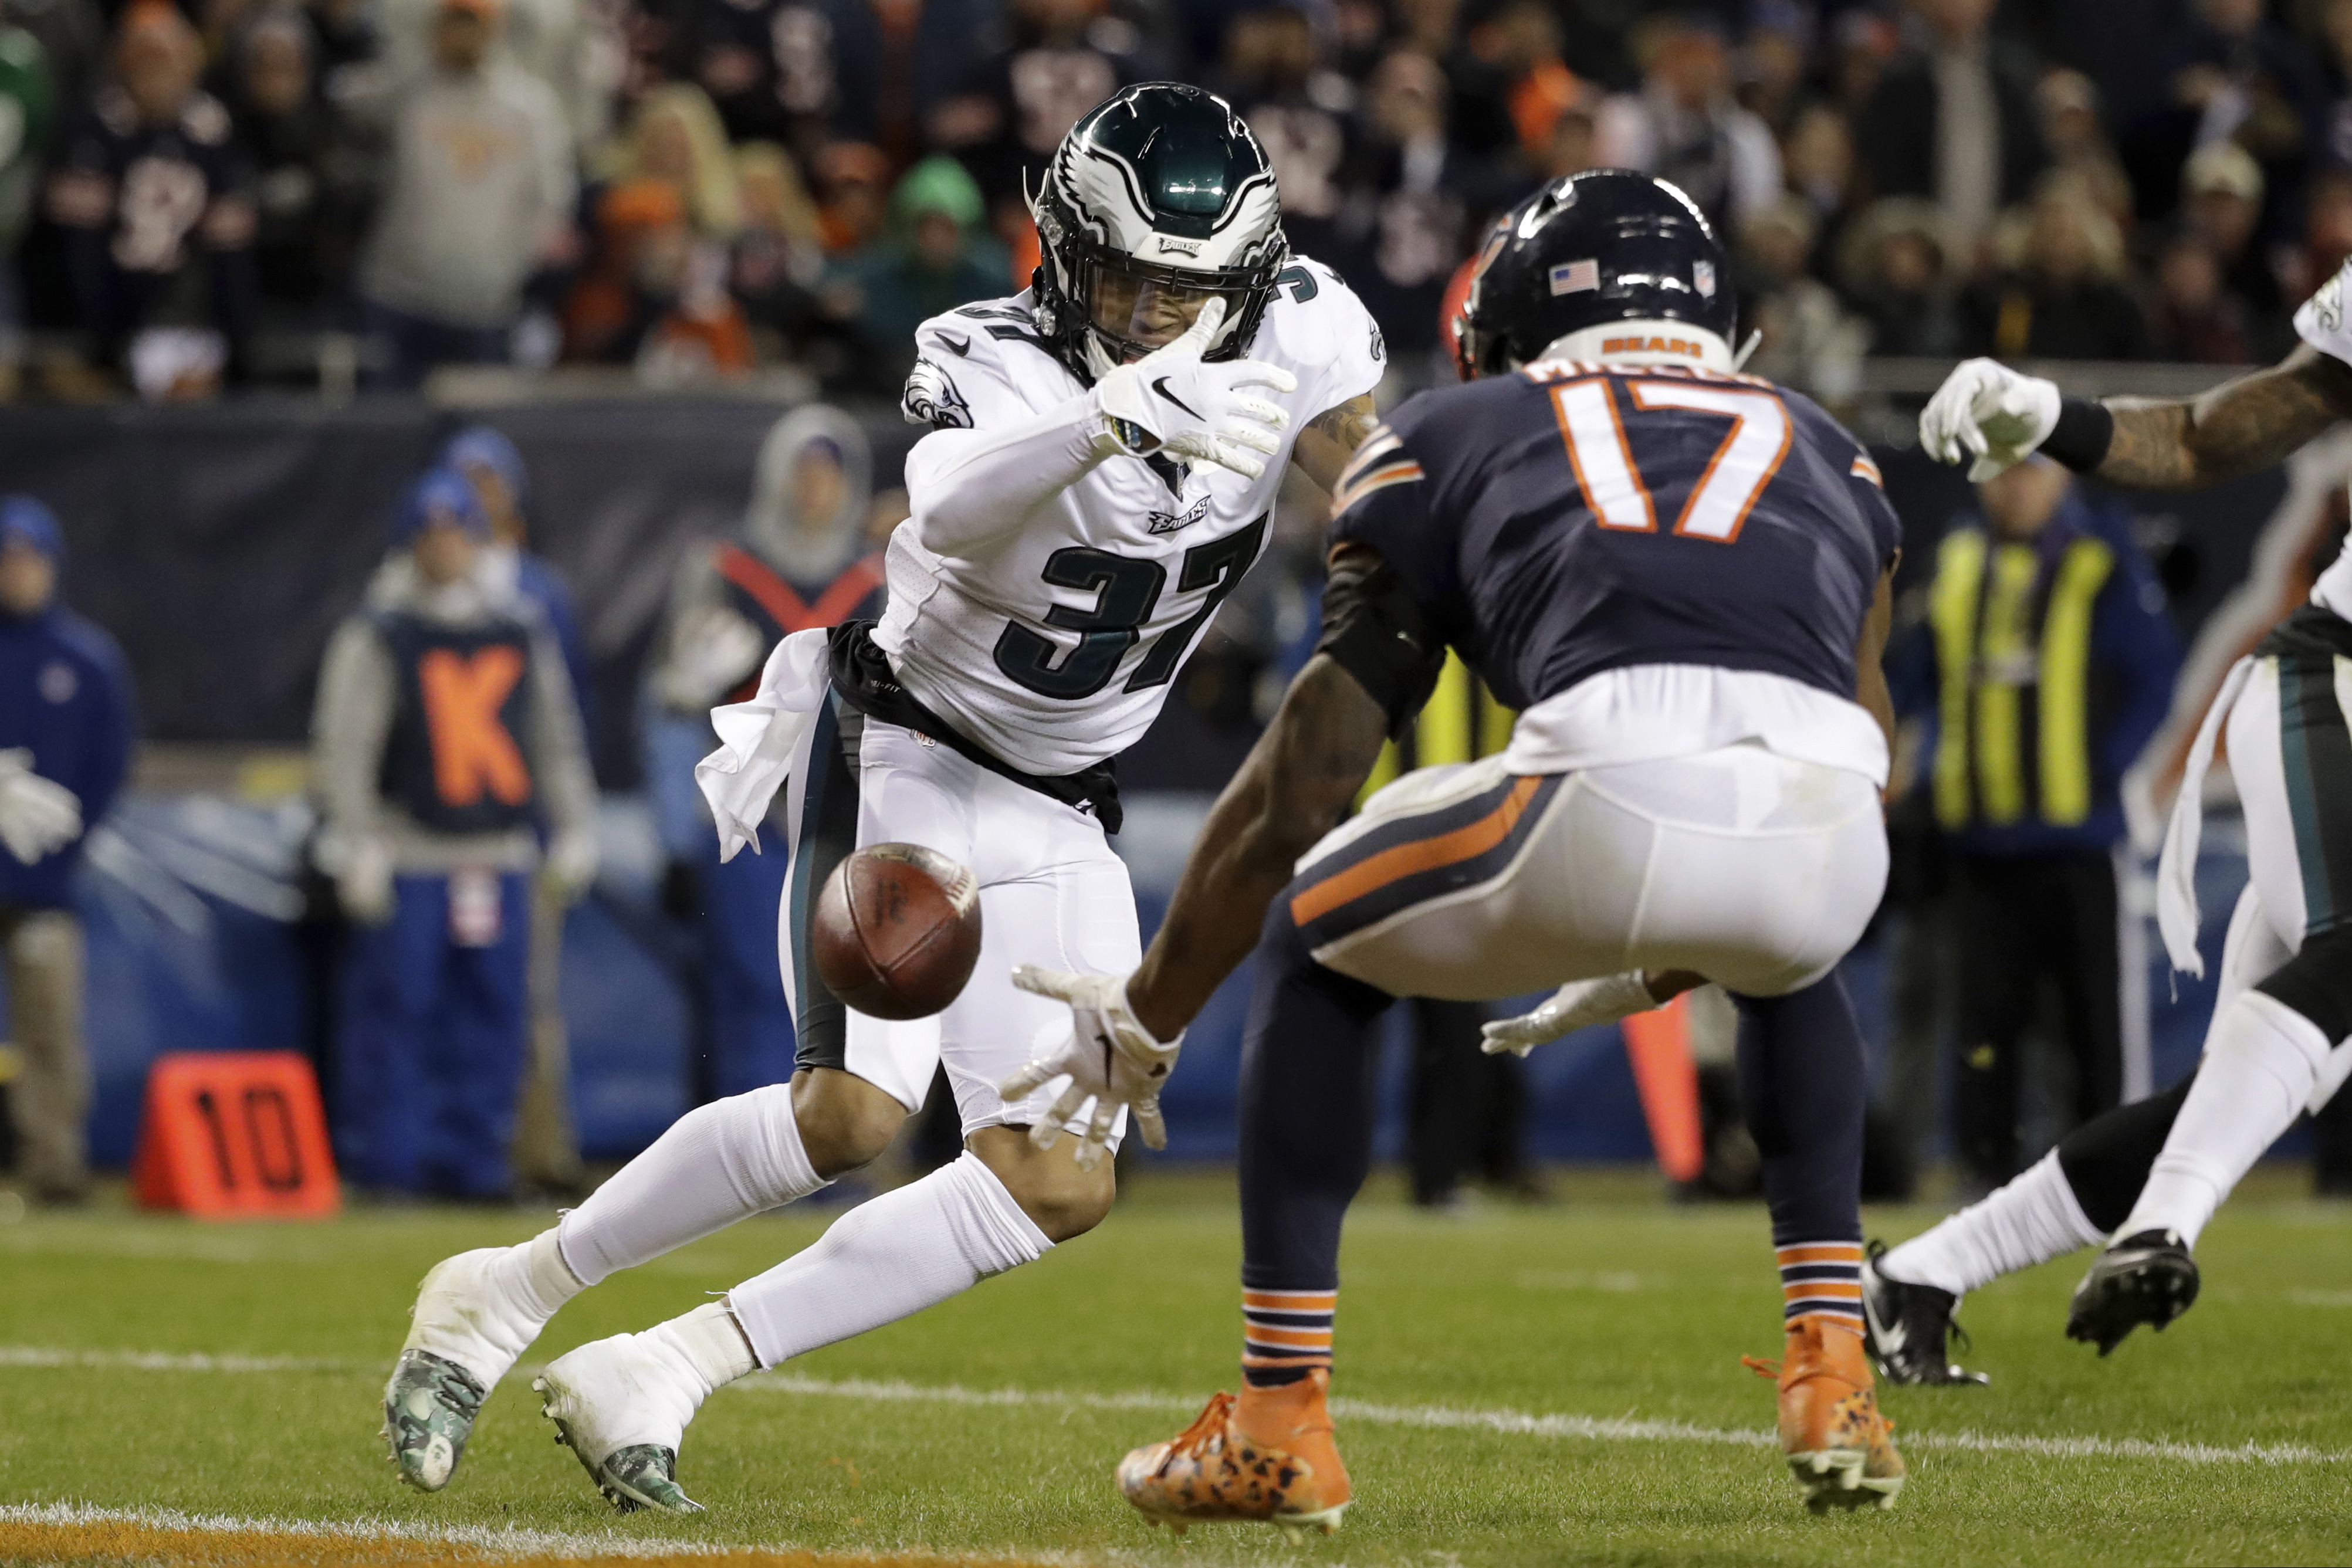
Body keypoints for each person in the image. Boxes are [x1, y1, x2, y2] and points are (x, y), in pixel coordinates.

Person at [377, 82, 1385, 1512]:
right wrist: (1101, 424)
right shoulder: (989, 348)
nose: (1152, 316)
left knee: (1057, 1175)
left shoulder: (1303, 325)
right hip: (907, 739)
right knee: (849, 1111)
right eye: (1121, 280)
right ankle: (503, 1290)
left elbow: (1372, 483)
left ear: (1246, 275)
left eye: (1184, 290)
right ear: (1058, 246)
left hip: (1062, 793)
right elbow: (951, 503)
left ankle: (658, 1364)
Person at [1025, 170, 1906, 1530]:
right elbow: (1856, 746)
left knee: (1315, 927)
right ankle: (1833, 1369)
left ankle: (1276, 1418)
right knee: (1789, 963)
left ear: (1514, 318)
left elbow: (1302, 784)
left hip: (1601, 789)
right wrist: (1687, 936)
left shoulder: (1455, 428)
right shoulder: (1829, 448)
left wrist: (1145, 1015)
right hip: (1834, 839)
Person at [1870, 247, 2352, 1377]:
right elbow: (2200, 439)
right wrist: (2051, 416)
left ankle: (1919, 1274)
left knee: (2235, 1092)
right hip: (2331, 685)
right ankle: (2159, 1228)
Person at [312, 468, 597, 1200]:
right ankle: (391, 1166)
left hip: (498, 852)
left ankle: (476, 1164)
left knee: (496, 1019)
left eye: (455, 531)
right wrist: (354, 839)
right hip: (410, 850)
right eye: (431, 533)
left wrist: (573, 828)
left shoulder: (516, 624)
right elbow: (344, 747)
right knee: (399, 1014)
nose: (444, 547)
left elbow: (553, 737)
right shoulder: (381, 631)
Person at [1914, 458, 2178, 1195]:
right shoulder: (1959, 559)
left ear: (2062, 477)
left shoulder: (2102, 557)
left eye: (2029, 470)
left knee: (2093, 1023)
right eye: (1998, 472)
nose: (2013, 487)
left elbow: (2154, 676)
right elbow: (1920, 674)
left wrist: (2102, 769)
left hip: (2078, 841)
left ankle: (2110, 1177)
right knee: (1984, 1027)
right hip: (1980, 843)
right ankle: (1986, 1175)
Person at [648, 405, 884, 1101]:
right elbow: (665, 705)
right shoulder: (725, 569)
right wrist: (687, 687)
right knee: (751, 981)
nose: (815, 490)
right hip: (749, 808)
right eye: (803, 473)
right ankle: (751, 1151)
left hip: (841, 808)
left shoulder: (876, 580)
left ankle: (827, 1150)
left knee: (837, 986)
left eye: (828, 475)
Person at [441, 424, 592, 1194]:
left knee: (526, 997)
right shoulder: (409, 587)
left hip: (518, 826)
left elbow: (562, 717)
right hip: (434, 827)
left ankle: (537, 1148)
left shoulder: (539, 593)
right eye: (463, 477)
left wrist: (569, 821)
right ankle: (446, 1149)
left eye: (488, 478)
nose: (476, 494)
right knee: (437, 992)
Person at [0, 497, 133, 1205]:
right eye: (6, 560)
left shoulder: (85, 660)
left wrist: (64, 847)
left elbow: (110, 765)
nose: (16, 574)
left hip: (46, 881)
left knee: (50, 1028)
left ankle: (54, 1169)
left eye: (27, 560)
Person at [356, 0, 574, 389]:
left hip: (486, 305)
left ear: (494, 30)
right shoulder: (405, 94)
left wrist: (512, 269)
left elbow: (551, 200)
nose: (461, 35)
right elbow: (346, 96)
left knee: (476, 439)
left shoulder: (529, 107)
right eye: (451, 23)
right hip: (397, 295)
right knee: (386, 433)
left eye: (471, 23)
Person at [46, 1, 256, 395]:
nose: (156, 75)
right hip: (109, 325)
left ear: (189, 66)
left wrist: (235, 348)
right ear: (123, 67)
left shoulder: (213, 133)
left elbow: (230, 257)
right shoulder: (92, 133)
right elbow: (79, 256)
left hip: (192, 327)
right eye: (145, 62)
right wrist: (101, 345)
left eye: (166, 61)